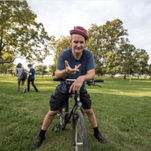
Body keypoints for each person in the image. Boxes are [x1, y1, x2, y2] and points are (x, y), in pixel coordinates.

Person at [31, 26, 107, 149]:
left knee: (89, 111)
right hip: (64, 87)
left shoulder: (88, 55)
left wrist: (81, 78)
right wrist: (66, 71)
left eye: (81, 42)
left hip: (80, 87)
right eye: (75, 42)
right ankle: (41, 135)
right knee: (52, 112)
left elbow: (91, 73)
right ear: (71, 42)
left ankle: (97, 132)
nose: (78, 45)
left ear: (85, 43)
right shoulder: (64, 54)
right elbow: (57, 73)